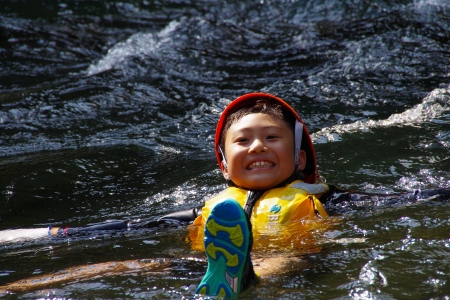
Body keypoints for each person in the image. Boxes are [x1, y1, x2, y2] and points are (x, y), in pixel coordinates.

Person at [39, 93, 450, 297]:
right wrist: (61, 233)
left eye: (272, 137)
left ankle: (239, 278)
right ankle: (20, 288)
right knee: (129, 263)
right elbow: (130, 226)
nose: (257, 147)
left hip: (292, 263)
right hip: (203, 267)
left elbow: (408, 198)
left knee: (281, 257)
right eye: (243, 141)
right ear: (223, 163)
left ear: (300, 155)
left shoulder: (328, 198)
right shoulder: (209, 208)